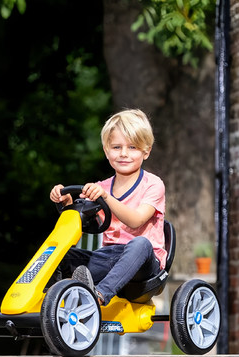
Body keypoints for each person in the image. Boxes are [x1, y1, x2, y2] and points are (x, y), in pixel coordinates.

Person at [49, 108, 166, 306]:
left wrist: (106, 198)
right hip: (108, 261)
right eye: (117, 147)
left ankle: (99, 295)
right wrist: (67, 204)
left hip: (144, 266)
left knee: (140, 244)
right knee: (58, 253)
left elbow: (136, 220)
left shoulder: (153, 185)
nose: (123, 154)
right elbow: (85, 225)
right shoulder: (100, 187)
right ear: (106, 150)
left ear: (146, 151)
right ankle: (55, 299)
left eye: (132, 148)